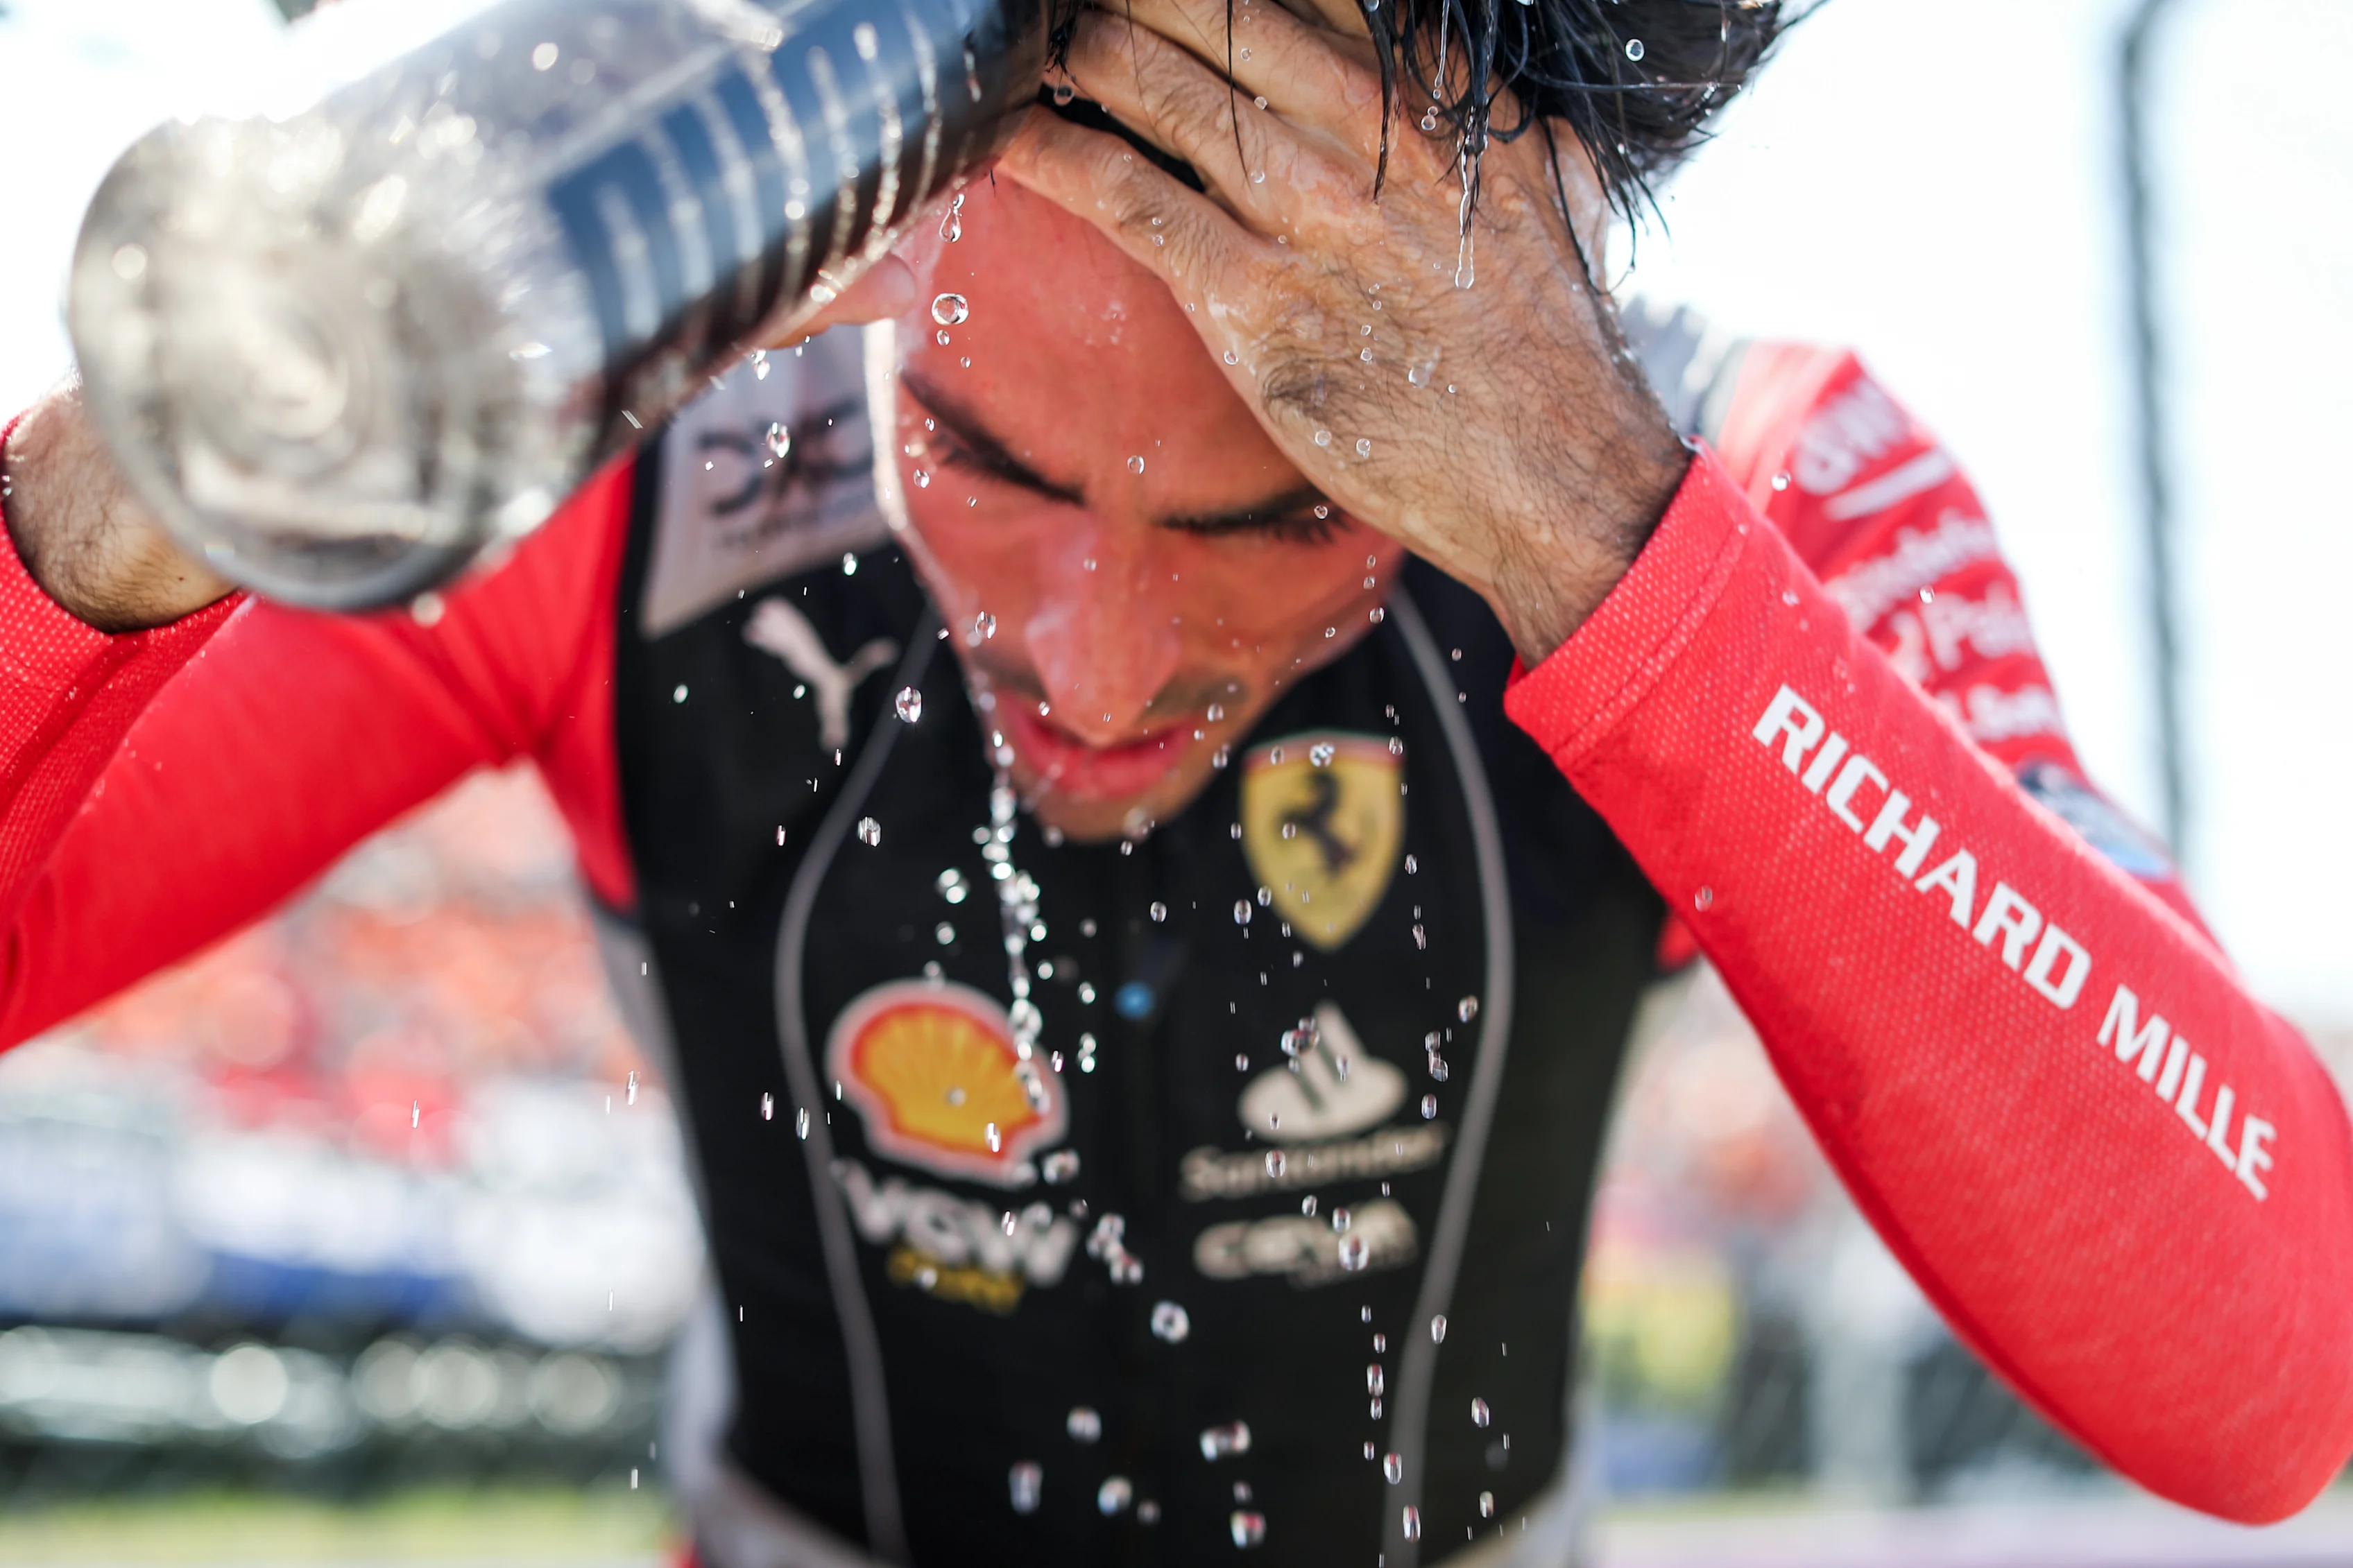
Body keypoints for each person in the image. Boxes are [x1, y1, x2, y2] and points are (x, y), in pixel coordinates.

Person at [5, 0, 2351, 1561]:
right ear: (869, 284)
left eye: (1304, 493)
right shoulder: (664, 469)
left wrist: (1598, 541)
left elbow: (2272, 1382)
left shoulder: (1728, 479)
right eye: (980, 453)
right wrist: (159, 450)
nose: (1102, 663)